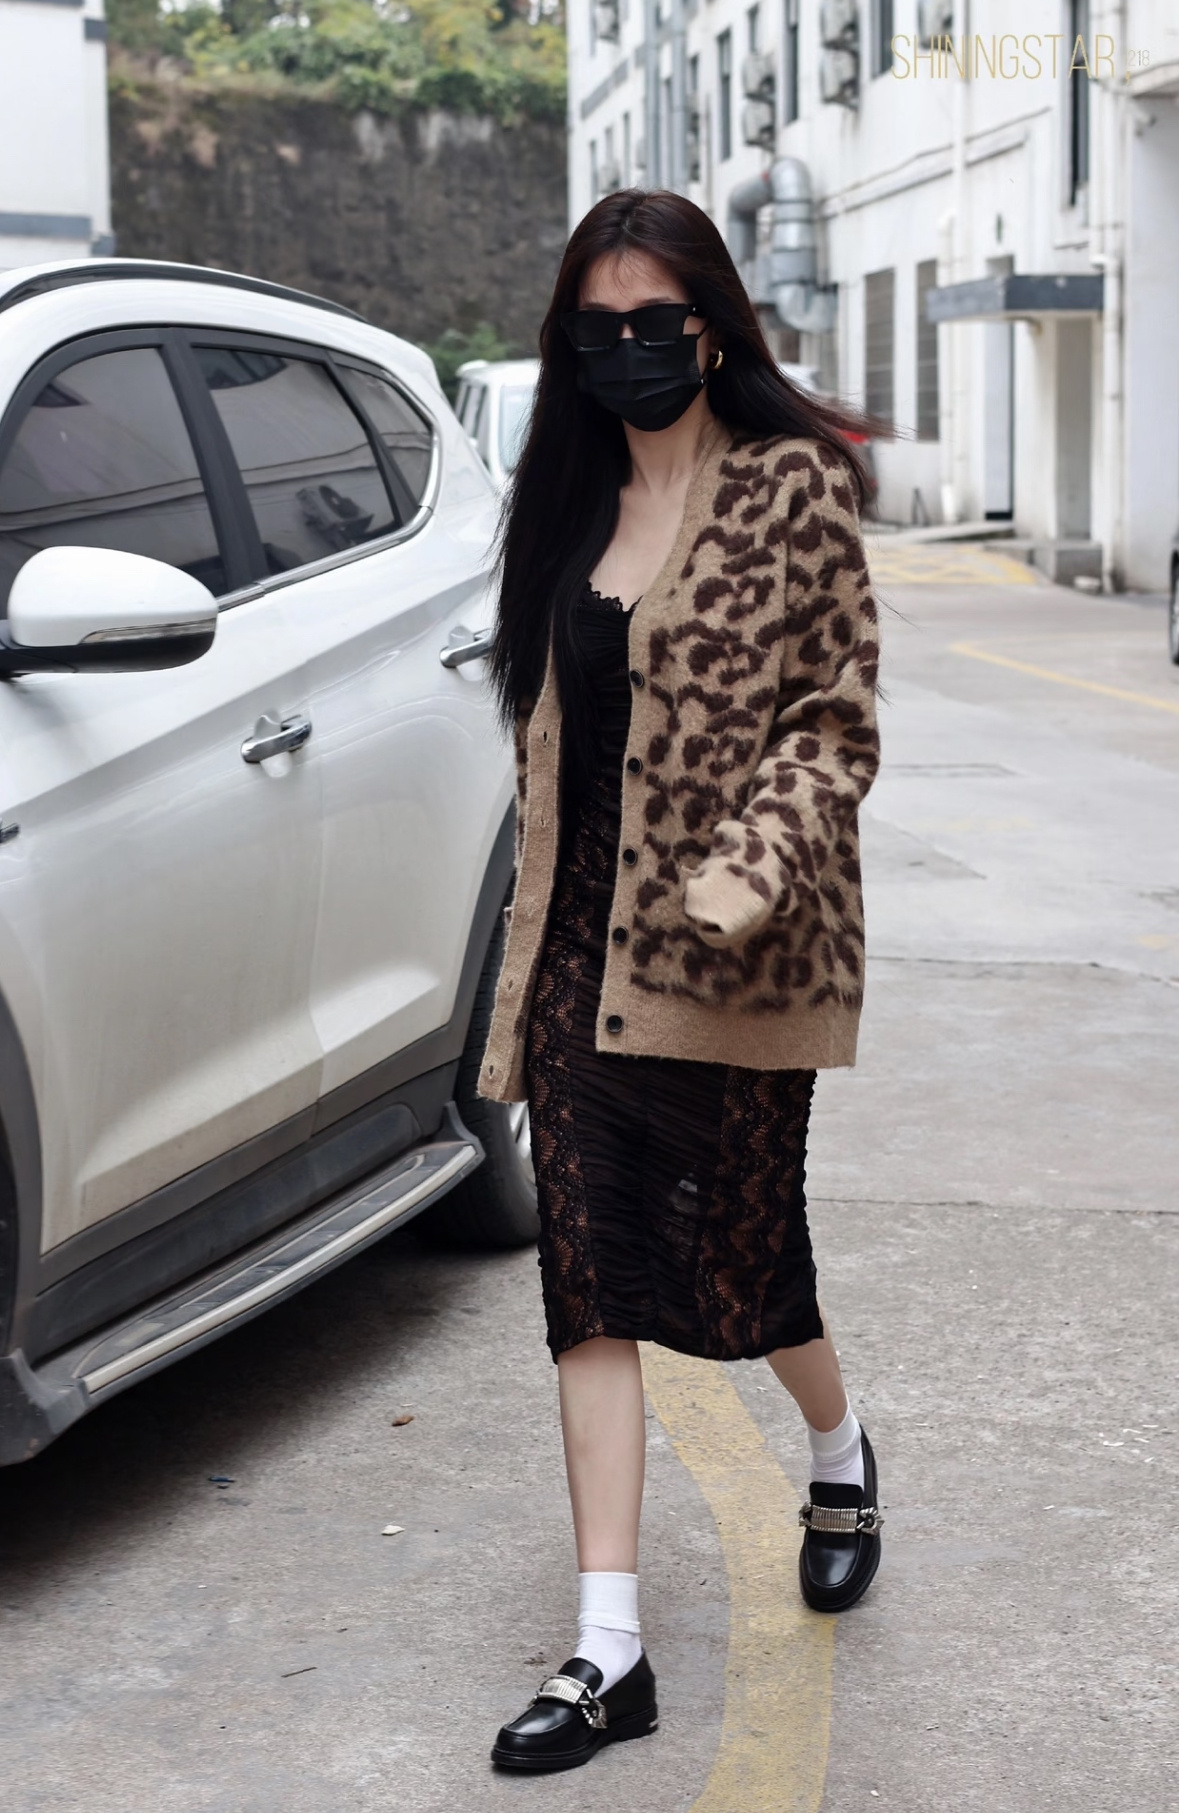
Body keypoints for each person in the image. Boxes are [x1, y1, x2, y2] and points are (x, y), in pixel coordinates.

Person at [477, 189, 882, 1774]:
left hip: (737, 951)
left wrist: (743, 870)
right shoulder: (568, 499)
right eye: (600, 329)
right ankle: (609, 1650)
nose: (628, 349)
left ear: (710, 328)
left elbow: (834, 720)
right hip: (579, 952)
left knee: (741, 1267)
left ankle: (839, 1450)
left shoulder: (792, 487)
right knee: (588, 1278)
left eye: (655, 322)